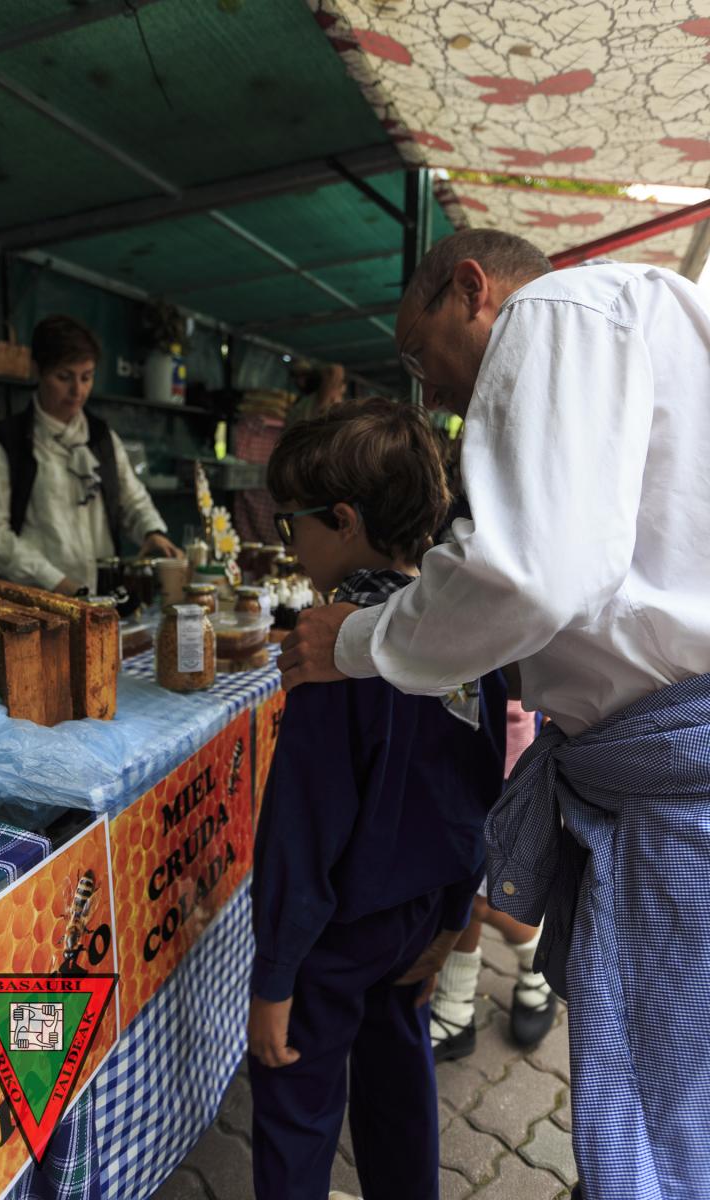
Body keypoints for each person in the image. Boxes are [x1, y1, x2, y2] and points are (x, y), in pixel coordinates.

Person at [276, 228, 710, 1200]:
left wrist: (355, 640)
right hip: (658, 769)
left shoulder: (554, 312)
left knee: (665, 1117)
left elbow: (530, 574)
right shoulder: (644, 321)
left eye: (417, 353)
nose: (429, 390)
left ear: (471, 289)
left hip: (677, 779)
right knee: (671, 1093)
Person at [247, 397, 507, 1200]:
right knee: (399, 1075)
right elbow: (483, 786)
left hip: (333, 933)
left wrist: (274, 979)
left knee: (295, 1100)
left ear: (344, 520)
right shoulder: (463, 635)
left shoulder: (330, 648)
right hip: (420, 917)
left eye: (291, 523)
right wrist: (454, 914)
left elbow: (301, 828)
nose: (288, 544)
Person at [0, 314, 181, 595]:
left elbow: (132, 499)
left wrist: (151, 532)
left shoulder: (101, 438)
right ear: (37, 370)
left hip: (101, 597)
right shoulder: (5, 443)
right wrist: (55, 582)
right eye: (64, 377)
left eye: (87, 377)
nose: (77, 391)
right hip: (37, 601)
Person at [431, 700, 555, 1059]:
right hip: (441, 743)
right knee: (457, 885)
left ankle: (538, 956)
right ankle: (455, 1007)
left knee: (482, 899)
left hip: (501, 750)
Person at [284, 361, 346, 427]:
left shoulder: (328, 399)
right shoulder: (306, 400)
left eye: (303, 375)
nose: (299, 381)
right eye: (297, 376)